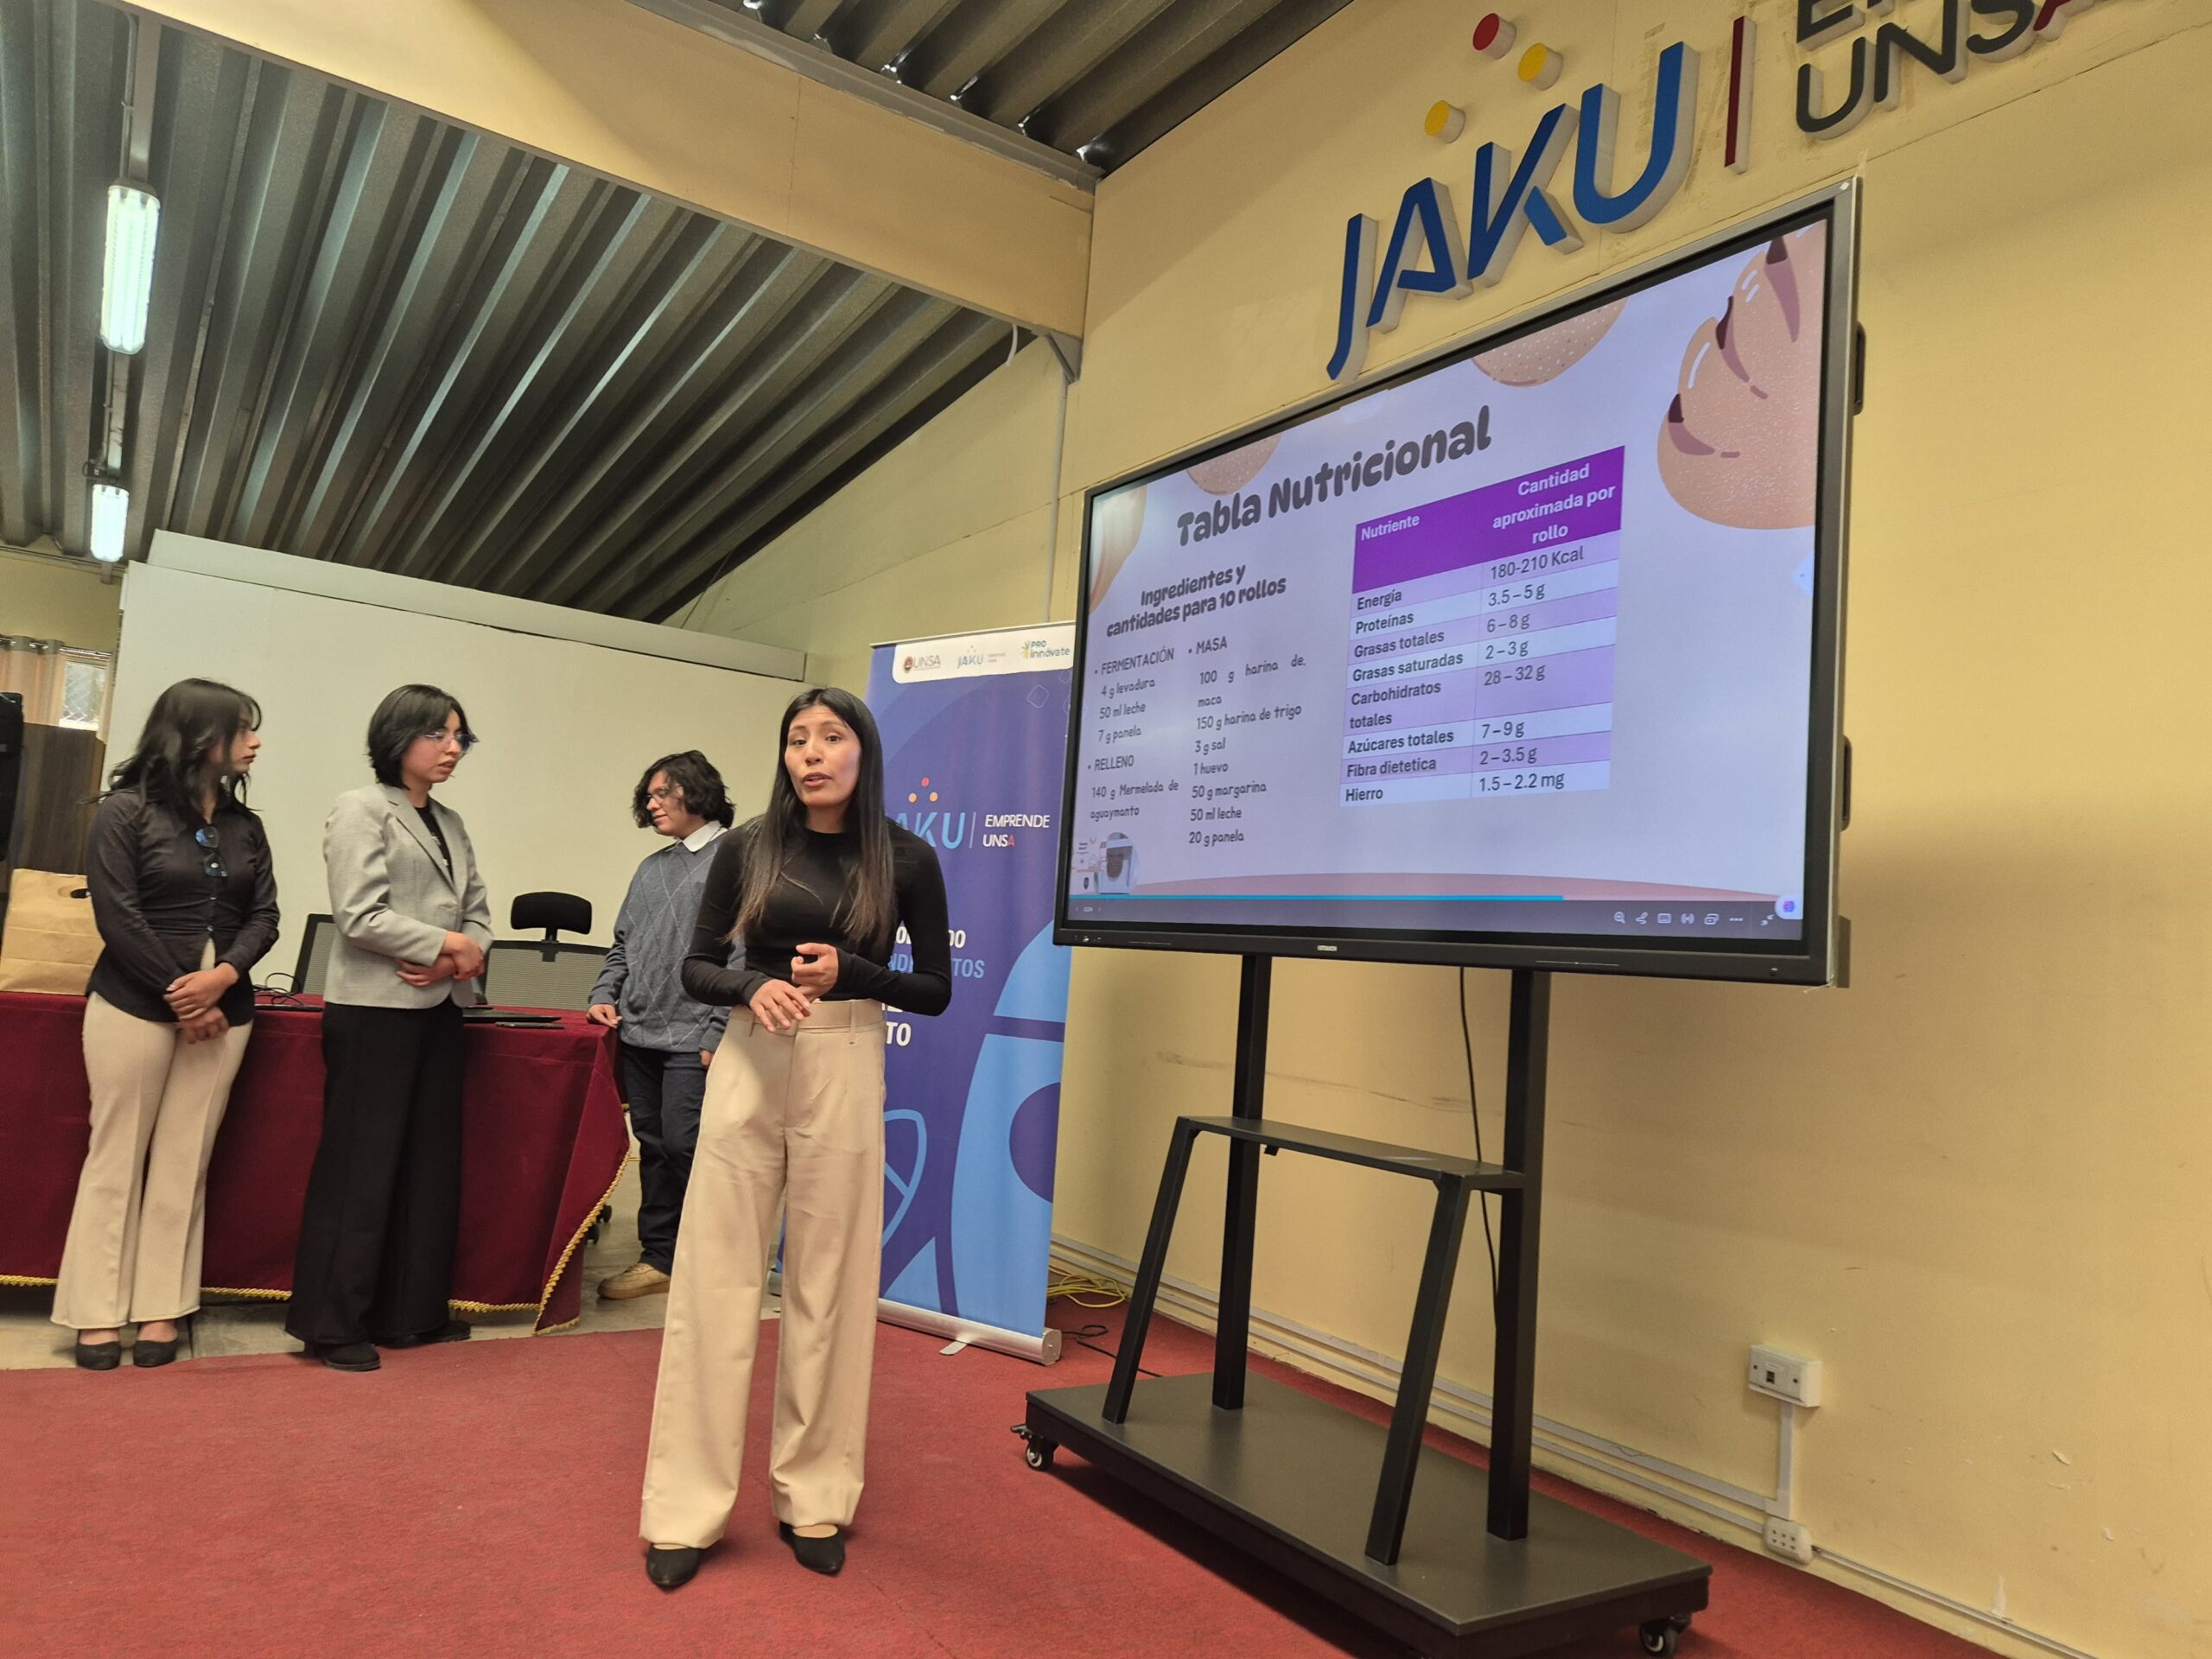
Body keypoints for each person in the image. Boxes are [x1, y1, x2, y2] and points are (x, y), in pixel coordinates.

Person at [639, 687, 950, 1591]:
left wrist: (857, 971)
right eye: (797, 739)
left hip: (846, 1057)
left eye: (830, 736)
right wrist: (750, 987)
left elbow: (935, 989)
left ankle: (814, 1495)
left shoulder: (907, 857)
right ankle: (684, 1508)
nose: (811, 753)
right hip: (749, 1057)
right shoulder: (749, 846)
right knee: (715, 1277)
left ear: (863, 752)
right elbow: (697, 966)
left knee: (830, 1283)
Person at [52, 679, 277, 1370]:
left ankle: (161, 1307)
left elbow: (265, 915)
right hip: (132, 1004)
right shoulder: (124, 813)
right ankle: (96, 1312)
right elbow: (117, 915)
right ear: (200, 737)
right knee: (116, 1155)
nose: (255, 742)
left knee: (186, 1160)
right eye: (242, 729)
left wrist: (223, 979)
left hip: (227, 1011)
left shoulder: (245, 826)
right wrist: (184, 996)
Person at [284, 685, 492, 1374]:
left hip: (440, 1006)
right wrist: (447, 945)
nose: (453, 748)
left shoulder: (451, 822)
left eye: (461, 737)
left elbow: (479, 911)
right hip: (374, 1010)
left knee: (427, 1165)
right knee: (360, 1169)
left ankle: (410, 1314)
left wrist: (458, 958)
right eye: (439, 734)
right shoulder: (360, 808)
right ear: (399, 738)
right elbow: (358, 914)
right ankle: (331, 1324)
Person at [588, 751, 737, 1301]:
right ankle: (660, 1259)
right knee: (653, 1146)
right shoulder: (651, 868)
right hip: (640, 1033)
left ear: (697, 792)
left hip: (695, 1037)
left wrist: (717, 1031)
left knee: (686, 1145)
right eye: (647, 796)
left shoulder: (735, 859)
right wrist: (603, 994)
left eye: (662, 793)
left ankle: (713, 1261)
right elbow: (622, 945)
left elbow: (742, 956)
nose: (651, 805)